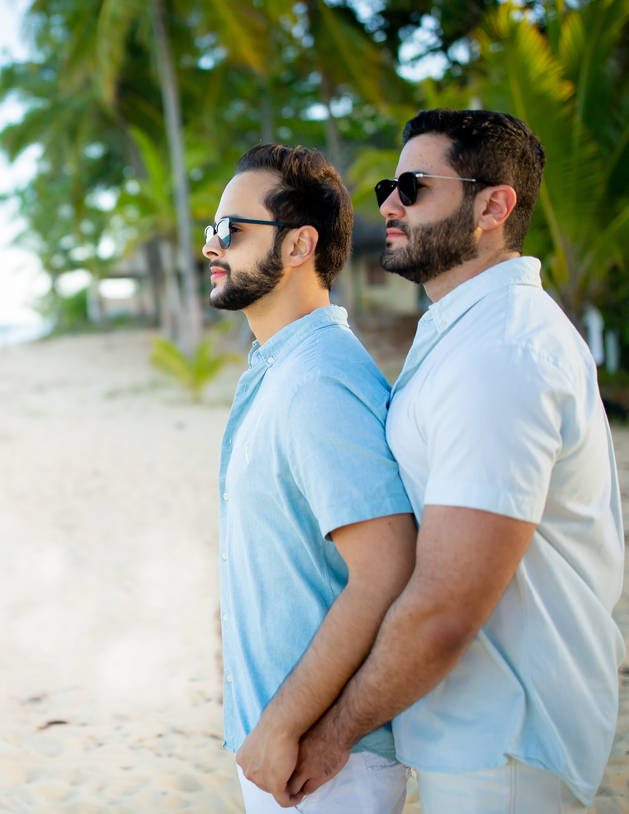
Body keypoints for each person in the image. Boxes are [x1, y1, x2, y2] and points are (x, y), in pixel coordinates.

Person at [282, 109, 625, 812]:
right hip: (478, 735)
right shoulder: (469, 332)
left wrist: (334, 733)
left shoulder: (500, 354)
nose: (389, 203)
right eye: (388, 185)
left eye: (414, 185)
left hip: (504, 745)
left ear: (494, 206)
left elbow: (445, 606)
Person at [205, 143, 418, 813]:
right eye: (212, 230)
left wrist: (284, 723)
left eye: (231, 230)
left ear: (298, 245)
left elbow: (386, 570)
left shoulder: (318, 380)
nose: (212, 246)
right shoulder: (280, 368)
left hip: (322, 763)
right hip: (283, 748)